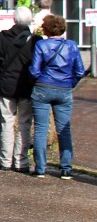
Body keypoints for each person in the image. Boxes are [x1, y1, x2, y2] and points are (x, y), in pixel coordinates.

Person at [28, 14, 85, 179]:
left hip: (42, 88)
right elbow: (80, 71)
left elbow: (34, 70)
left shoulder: (41, 45)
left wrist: (39, 80)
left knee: (40, 129)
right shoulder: (72, 46)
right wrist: (69, 83)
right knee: (64, 130)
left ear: (46, 29)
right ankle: (66, 169)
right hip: (64, 89)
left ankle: (40, 169)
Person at [0, 6, 39, 171]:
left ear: (14, 19)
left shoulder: (2, 37)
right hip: (26, 87)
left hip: (6, 86)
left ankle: (5, 160)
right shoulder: (35, 40)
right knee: (25, 123)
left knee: (6, 123)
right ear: (30, 20)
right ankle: (21, 161)